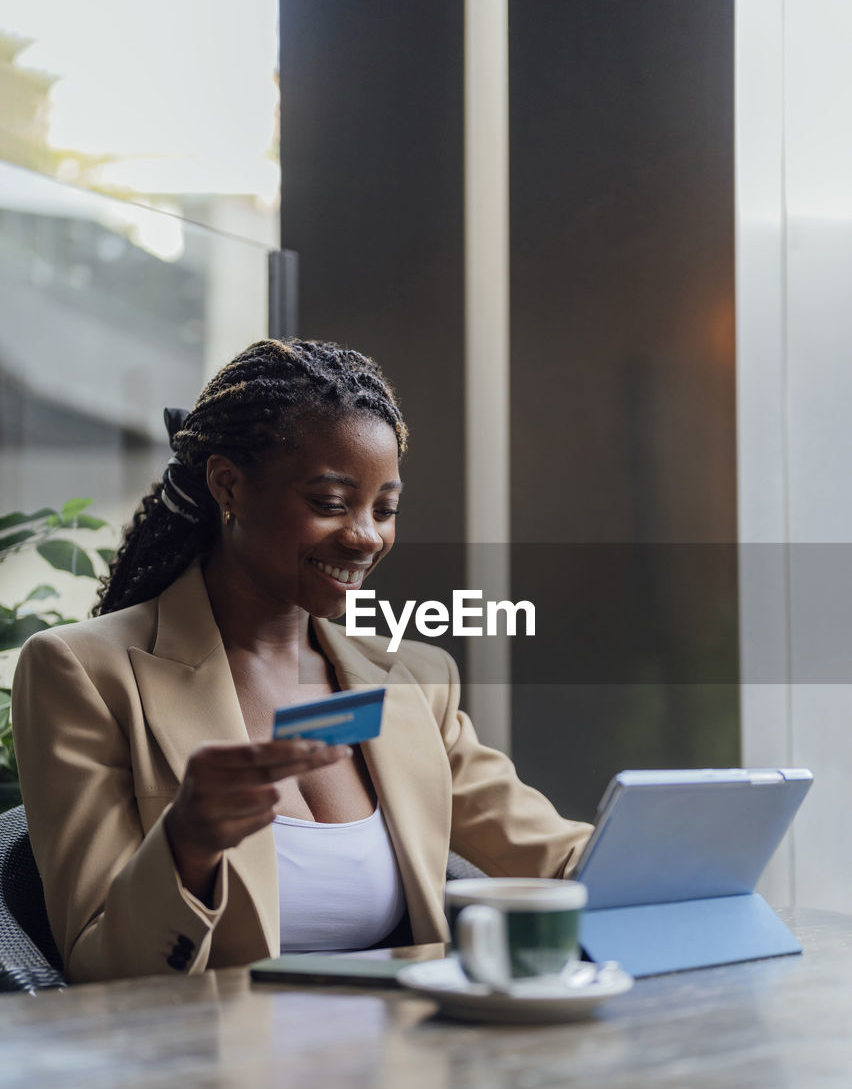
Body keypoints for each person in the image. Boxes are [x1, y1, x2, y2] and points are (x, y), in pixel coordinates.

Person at [12, 338, 592, 983]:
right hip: (202, 1062)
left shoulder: (412, 681)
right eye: (331, 503)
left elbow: (555, 855)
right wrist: (188, 844)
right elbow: (98, 967)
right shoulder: (86, 673)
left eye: (386, 508)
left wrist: (694, 850)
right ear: (228, 485)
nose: (367, 536)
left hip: (411, 1057)